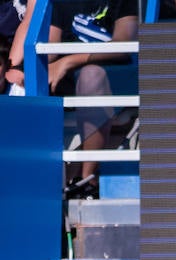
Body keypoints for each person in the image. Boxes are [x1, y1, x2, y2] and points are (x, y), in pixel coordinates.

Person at [4, 0, 137, 192]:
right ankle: (27, 182)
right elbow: (47, 48)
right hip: (69, 77)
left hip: (114, 74)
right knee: (25, 86)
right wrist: (19, 70)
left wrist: (67, 62)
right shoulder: (60, 2)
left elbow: (123, 46)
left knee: (91, 75)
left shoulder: (124, 3)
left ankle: (86, 180)